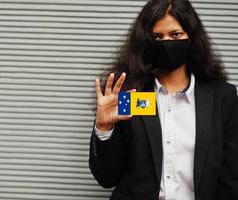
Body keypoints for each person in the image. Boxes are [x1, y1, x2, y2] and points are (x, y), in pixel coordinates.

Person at [89, 0, 238, 200]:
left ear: (191, 37)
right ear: (146, 41)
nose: (167, 43)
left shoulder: (222, 97)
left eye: (175, 35)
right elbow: (108, 177)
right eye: (157, 37)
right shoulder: (129, 94)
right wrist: (104, 128)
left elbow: (230, 181)